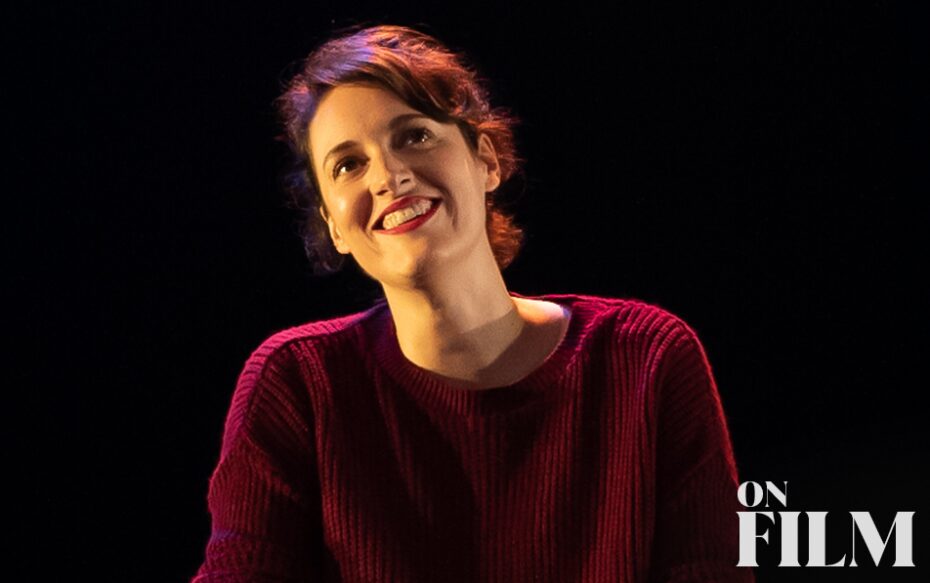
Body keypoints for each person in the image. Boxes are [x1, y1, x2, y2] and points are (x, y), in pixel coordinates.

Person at [191, 24, 754, 583]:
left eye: (414, 135)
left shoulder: (646, 357)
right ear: (332, 225)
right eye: (348, 164)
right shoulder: (297, 383)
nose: (390, 176)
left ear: (486, 160)